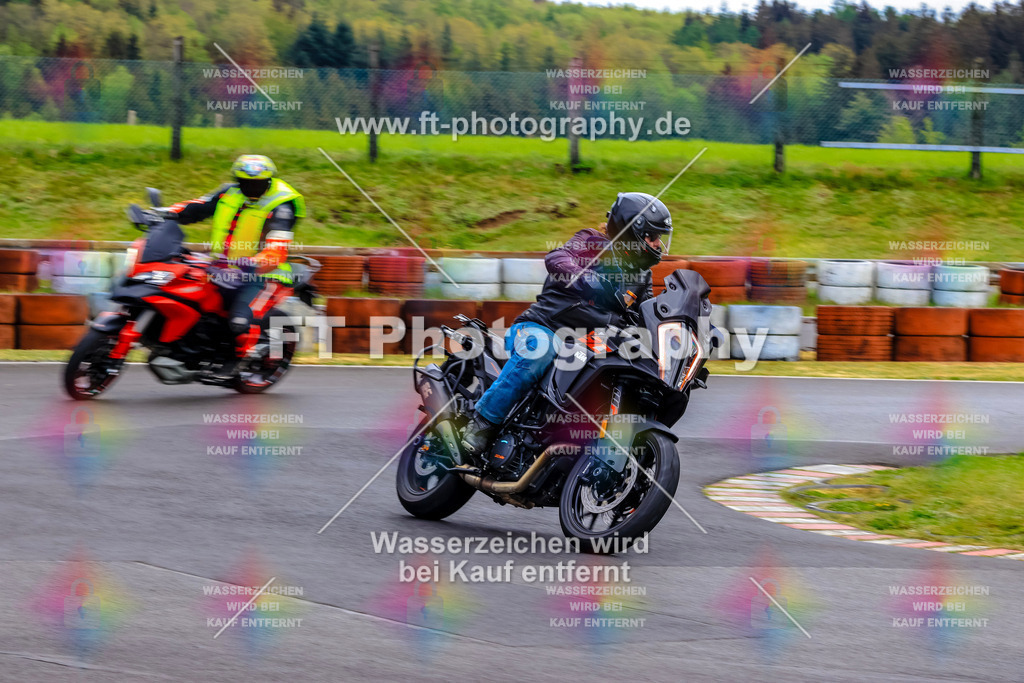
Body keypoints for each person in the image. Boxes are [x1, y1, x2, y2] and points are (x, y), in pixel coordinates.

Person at [461, 192, 673, 455]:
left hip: (586, 347)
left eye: (660, 238)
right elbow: (556, 259)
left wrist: (683, 330)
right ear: (632, 231)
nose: (657, 244)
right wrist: (585, 279)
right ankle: (483, 422)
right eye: (653, 237)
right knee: (541, 349)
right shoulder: (591, 242)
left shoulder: (642, 277)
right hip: (542, 328)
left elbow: (645, 316)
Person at [163, 154, 305, 379]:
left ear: (268, 182)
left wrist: (251, 264)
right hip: (222, 269)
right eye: (245, 182)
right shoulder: (228, 193)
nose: (251, 187)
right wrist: (164, 213)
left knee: (239, 320)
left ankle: (243, 356)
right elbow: (196, 207)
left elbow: (277, 249)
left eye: (257, 183)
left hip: (264, 274)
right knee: (188, 294)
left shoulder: (282, 205)